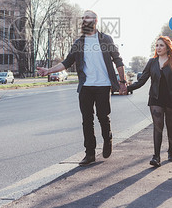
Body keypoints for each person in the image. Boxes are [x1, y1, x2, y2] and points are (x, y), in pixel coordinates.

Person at [37, 10, 128, 166]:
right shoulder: (79, 42)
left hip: (103, 85)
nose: (85, 20)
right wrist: (48, 70)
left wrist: (122, 81)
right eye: (83, 18)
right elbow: (67, 62)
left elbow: (117, 60)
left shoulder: (105, 39)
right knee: (87, 120)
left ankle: (108, 139)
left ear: (95, 21)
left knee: (103, 117)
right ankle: (90, 153)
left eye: (88, 17)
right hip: (85, 85)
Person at [127, 36, 172, 167]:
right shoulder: (152, 62)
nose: (158, 48)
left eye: (161, 45)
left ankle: (171, 150)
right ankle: (156, 156)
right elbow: (142, 80)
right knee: (158, 126)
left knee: (170, 126)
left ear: (167, 47)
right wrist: (127, 88)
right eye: (157, 45)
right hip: (156, 99)